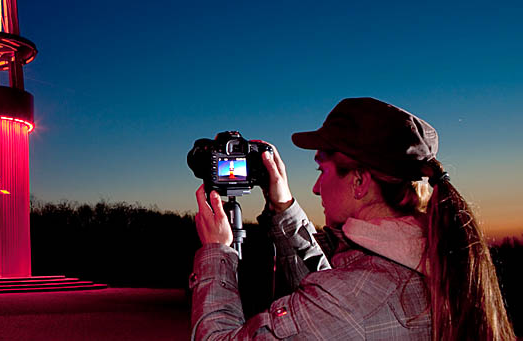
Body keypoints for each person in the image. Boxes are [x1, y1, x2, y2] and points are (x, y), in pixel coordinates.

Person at [191, 97, 514, 340]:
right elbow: (330, 285)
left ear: (359, 181)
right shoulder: (439, 260)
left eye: (322, 171)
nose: (316, 189)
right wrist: (282, 206)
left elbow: (338, 305)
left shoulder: (351, 301)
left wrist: (217, 252)